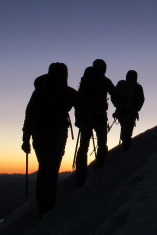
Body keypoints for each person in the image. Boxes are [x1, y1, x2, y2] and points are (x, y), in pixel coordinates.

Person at [21, 62, 77, 218]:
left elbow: (29, 116)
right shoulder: (68, 92)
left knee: (45, 170)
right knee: (50, 171)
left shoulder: (40, 92)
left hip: (40, 137)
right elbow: (82, 105)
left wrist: (26, 139)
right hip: (57, 136)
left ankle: (44, 207)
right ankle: (48, 209)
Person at [74, 59, 118, 185]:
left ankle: (80, 174)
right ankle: (100, 166)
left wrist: (79, 119)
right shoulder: (104, 81)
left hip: (86, 118)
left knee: (83, 146)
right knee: (101, 143)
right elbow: (114, 93)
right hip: (99, 116)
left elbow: (79, 100)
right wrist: (123, 103)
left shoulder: (86, 80)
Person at [112, 70, 145, 152]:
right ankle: (126, 147)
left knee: (124, 127)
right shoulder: (138, 87)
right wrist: (135, 109)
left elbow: (114, 96)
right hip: (131, 113)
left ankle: (125, 144)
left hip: (120, 112)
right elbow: (141, 100)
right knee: (128, 130)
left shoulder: (121, 84)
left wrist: (119, 106)